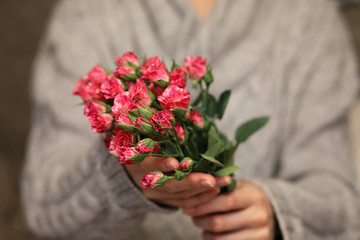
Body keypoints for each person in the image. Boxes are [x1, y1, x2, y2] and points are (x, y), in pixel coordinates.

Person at [22, 0, 360, 239]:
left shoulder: (310, 16)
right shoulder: (88, 10)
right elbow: (44, 208)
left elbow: (342, 206)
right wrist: (121, 177)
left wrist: (277, 214)